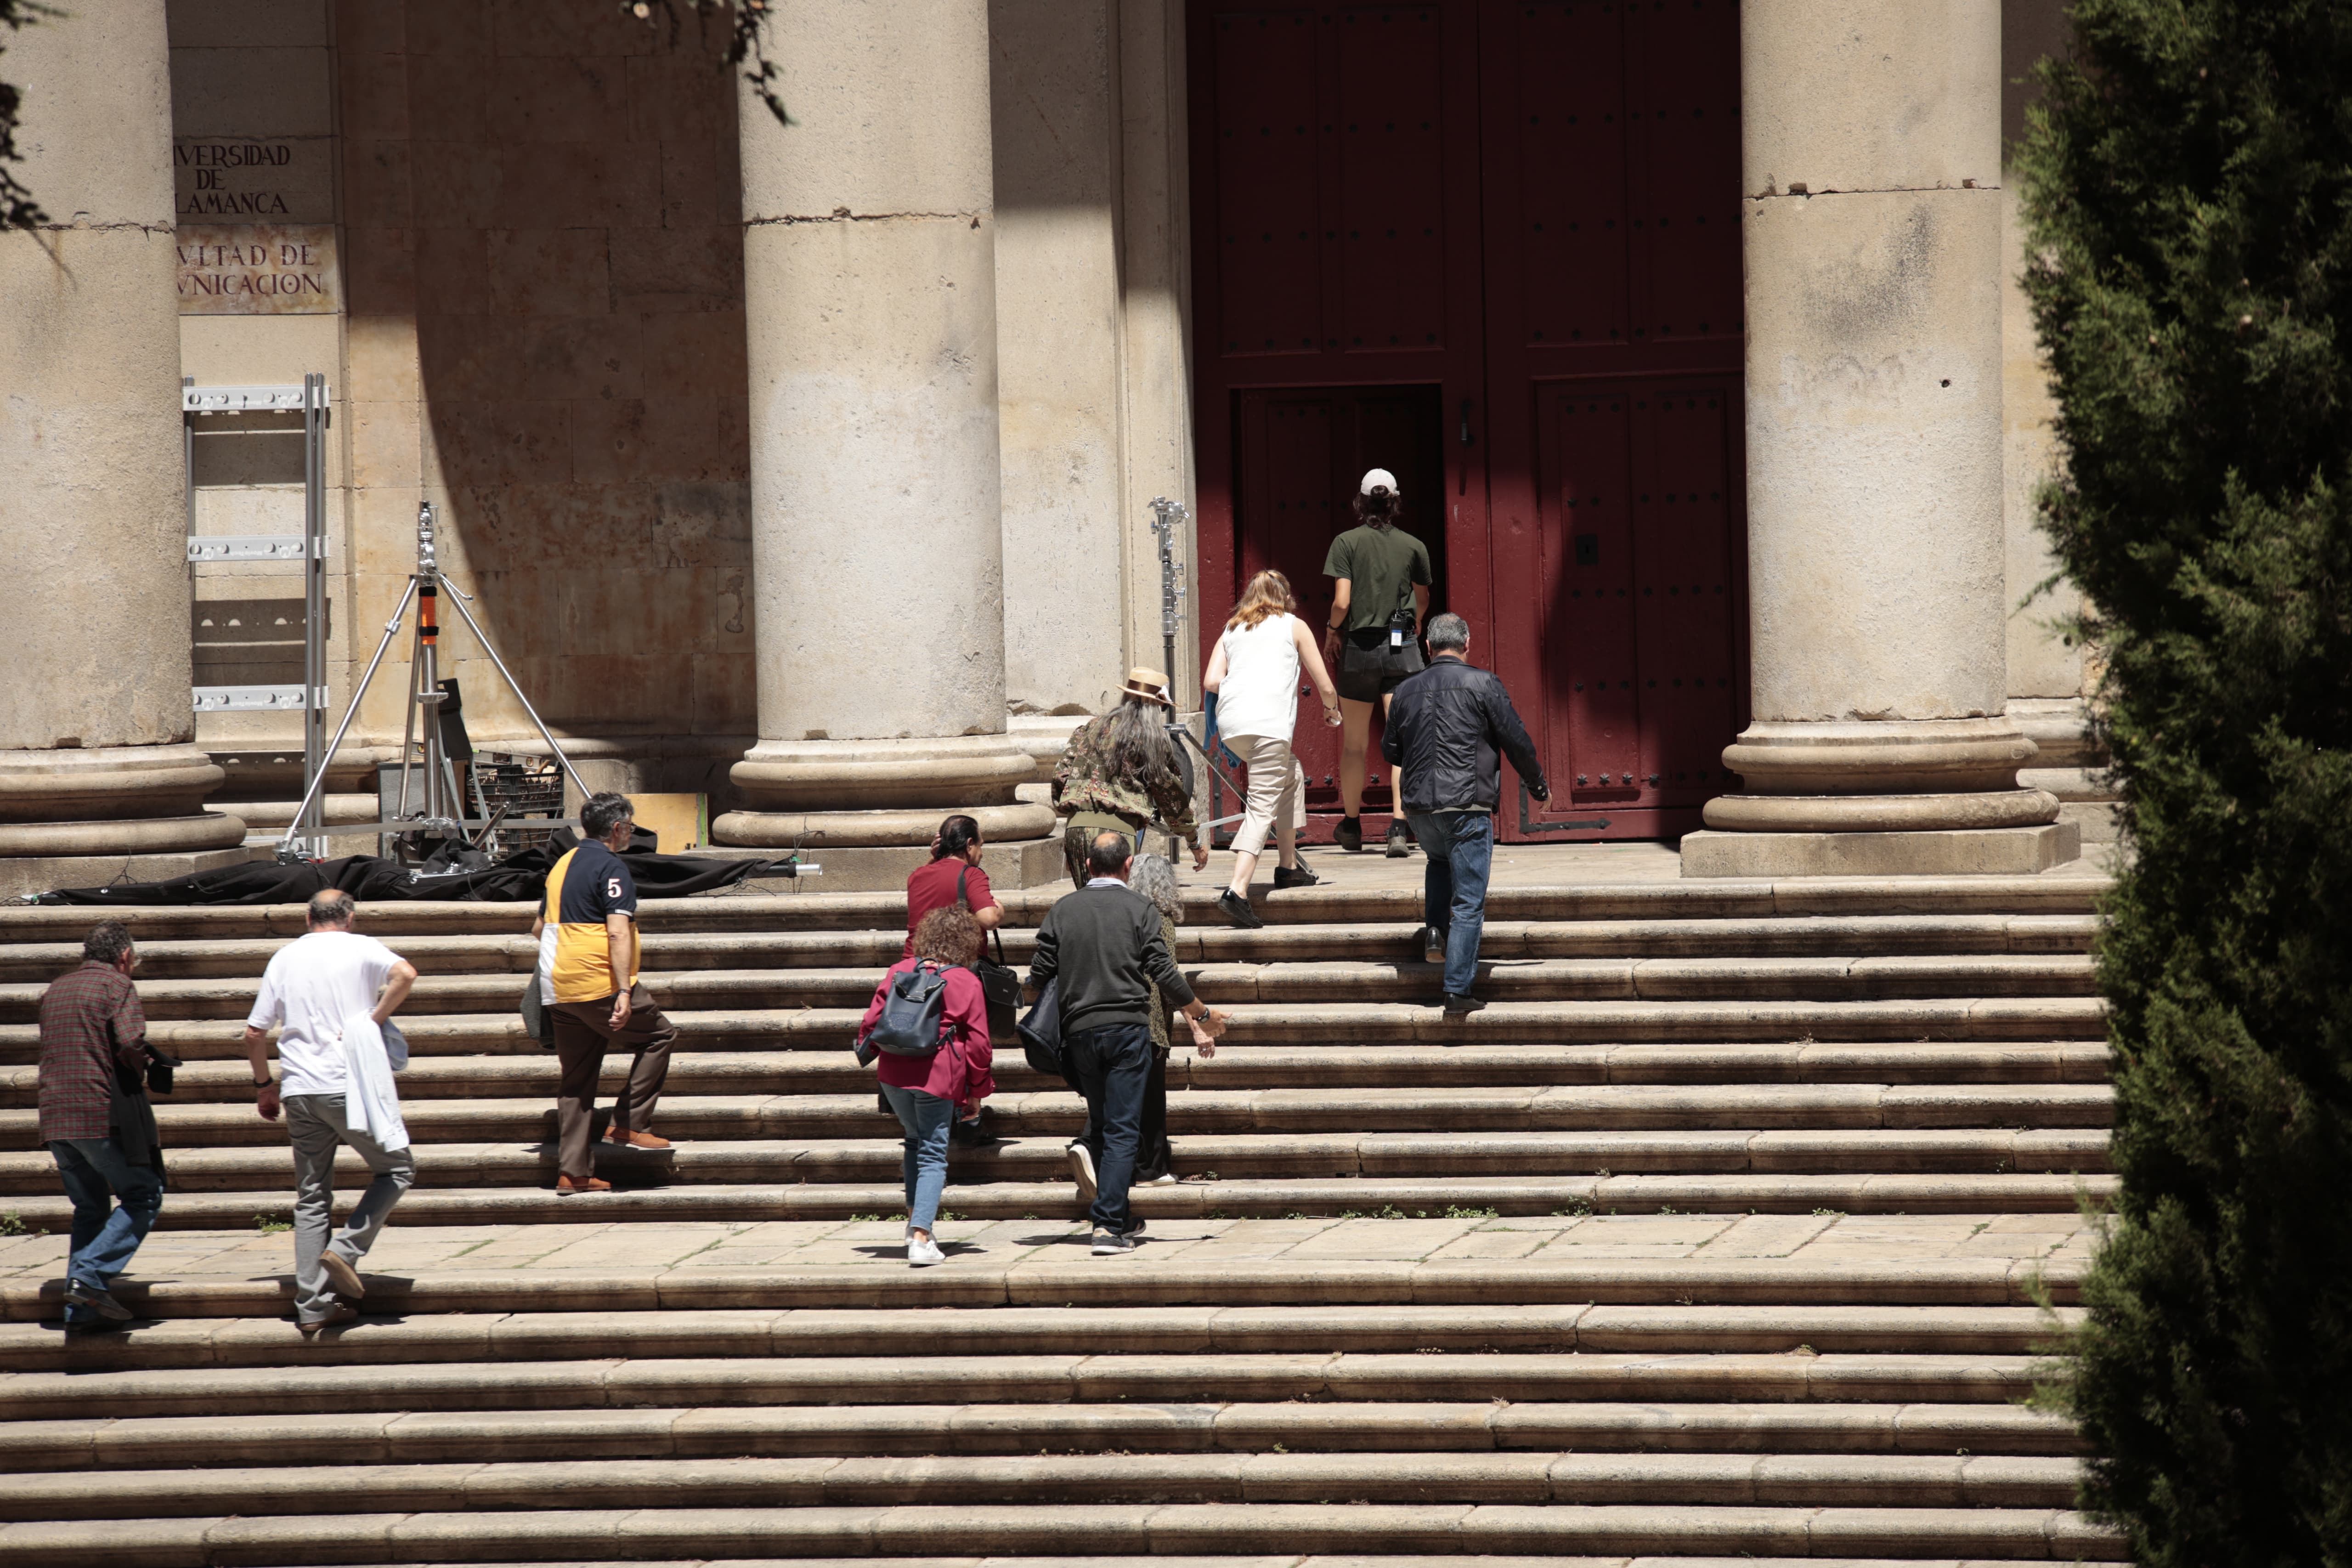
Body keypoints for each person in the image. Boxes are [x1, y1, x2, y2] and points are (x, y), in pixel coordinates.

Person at [1028, 830, 1226, 1254]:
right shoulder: (1140, 908)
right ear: (1128, 865)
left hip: (1079, 1034)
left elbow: (1039, 974)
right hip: (1127, 1032)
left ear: (1087, 866)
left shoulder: (1063, 909)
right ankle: (1107, 1226)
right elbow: (1163, 971)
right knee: (1121, 1130)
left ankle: (1118, 1215)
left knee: (1104, 1124)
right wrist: (1201, 1013)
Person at [243, 891, 420, 1336]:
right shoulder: (361, 946)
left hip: (300, 1090)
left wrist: (265, 1087)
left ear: (308, 917)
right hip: (347, 1083)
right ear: (350, 918)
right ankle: (345, 1249)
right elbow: (406, 973)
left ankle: (312, 1306)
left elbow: (254, 1033)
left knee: (312, 1196)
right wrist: (374, 1018)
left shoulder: (285, 956)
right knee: (397, 1168)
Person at [1382, 612, 1549, 1017]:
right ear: (1467, 643)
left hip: (1420, 808)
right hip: (1467, 805)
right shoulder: (1484, 684)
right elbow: (1516, 739)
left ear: (1428, 647)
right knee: (1470, 900)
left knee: (1439, 862)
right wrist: (1538, 785)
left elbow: (1391, 751)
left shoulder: (1404, 691)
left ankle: (1435, 932)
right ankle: (1457, 990)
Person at [533, 792, 678, 1195]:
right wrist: (624, 991)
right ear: (617, 828)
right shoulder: (612, 866)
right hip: (597, 980)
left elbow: (537, 927)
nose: (631, 832)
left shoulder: (562, 864)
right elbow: (617, 932)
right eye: (630, 826)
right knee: (659, 1036)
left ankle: (573, 1172)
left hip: (559, 983)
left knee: (577, 1079)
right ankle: (630, 1122)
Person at [37, 920, 163, 1333]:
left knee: (90, 1207)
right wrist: (148, 1064)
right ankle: (89, 1275)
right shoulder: (117, 985)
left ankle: (81, 1313)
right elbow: (129, 1042)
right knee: (143, 1194)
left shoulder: (56, 989)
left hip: (56, 1116)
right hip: (97, 1112)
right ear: (124, 956)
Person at [854, 905, 996, 1267]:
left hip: (893, 1074)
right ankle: (921, 1237)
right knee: (933, 1151)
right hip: (938, 1074)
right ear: (967, 941)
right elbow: (980, 1045)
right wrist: (977, 1091)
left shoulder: (898, 970)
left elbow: (871, 1022)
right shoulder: (965, 980)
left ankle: (913, 1223)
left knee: (914, 1139)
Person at [1203, 568, 1342, 928]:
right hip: (1268, 726)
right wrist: (1331, 710)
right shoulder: (1294, 626)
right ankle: (1237, 890)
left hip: (1234, 726)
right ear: (1285, 596)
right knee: (1261, 805)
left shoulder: (1232, 628)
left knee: (1291, 774)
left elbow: (1212, 680)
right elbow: (1326, 686)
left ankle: (1288, 867)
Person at [1322, 467, 1434, 858]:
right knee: (1402, 741)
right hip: (1402, 648)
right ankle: (1399, 829)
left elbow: (1342, 602)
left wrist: (1333, 630)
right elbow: (1422, 599)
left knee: (1354, 745)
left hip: (1360, 648)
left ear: (1361, 501)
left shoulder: (1345, 543)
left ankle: (1352, 827)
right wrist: (1415, 622)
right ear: (1395, 502)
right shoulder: (1413, 545)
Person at [1052, 668, 1208, 889]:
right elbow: (1171, 796)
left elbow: (1061, 775)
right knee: (1115, 902)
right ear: (1154, 706)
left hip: (1076, 831)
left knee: (1090, 901)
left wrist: (1076, 820)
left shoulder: (1091, 727)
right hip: (1117, 836)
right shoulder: (1152, 739)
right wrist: (1194, 841)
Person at [1118, 853, 1219, 1188]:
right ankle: (1151, 1170)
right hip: (1149, 1022)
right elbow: (1169, 977)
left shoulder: (1123, 916)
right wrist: (1199, 1027)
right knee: (1150, 1098)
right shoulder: (1159, 920)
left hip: (1119, 1017)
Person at [902, 813, 1003, 957]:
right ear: (969, 844)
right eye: (980, 846)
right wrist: (999, 906)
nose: (981, 854)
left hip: (916, 965)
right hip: (956, 965)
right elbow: (990, 920)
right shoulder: (971, 874)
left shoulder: (916, 876)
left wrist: (935, 857)